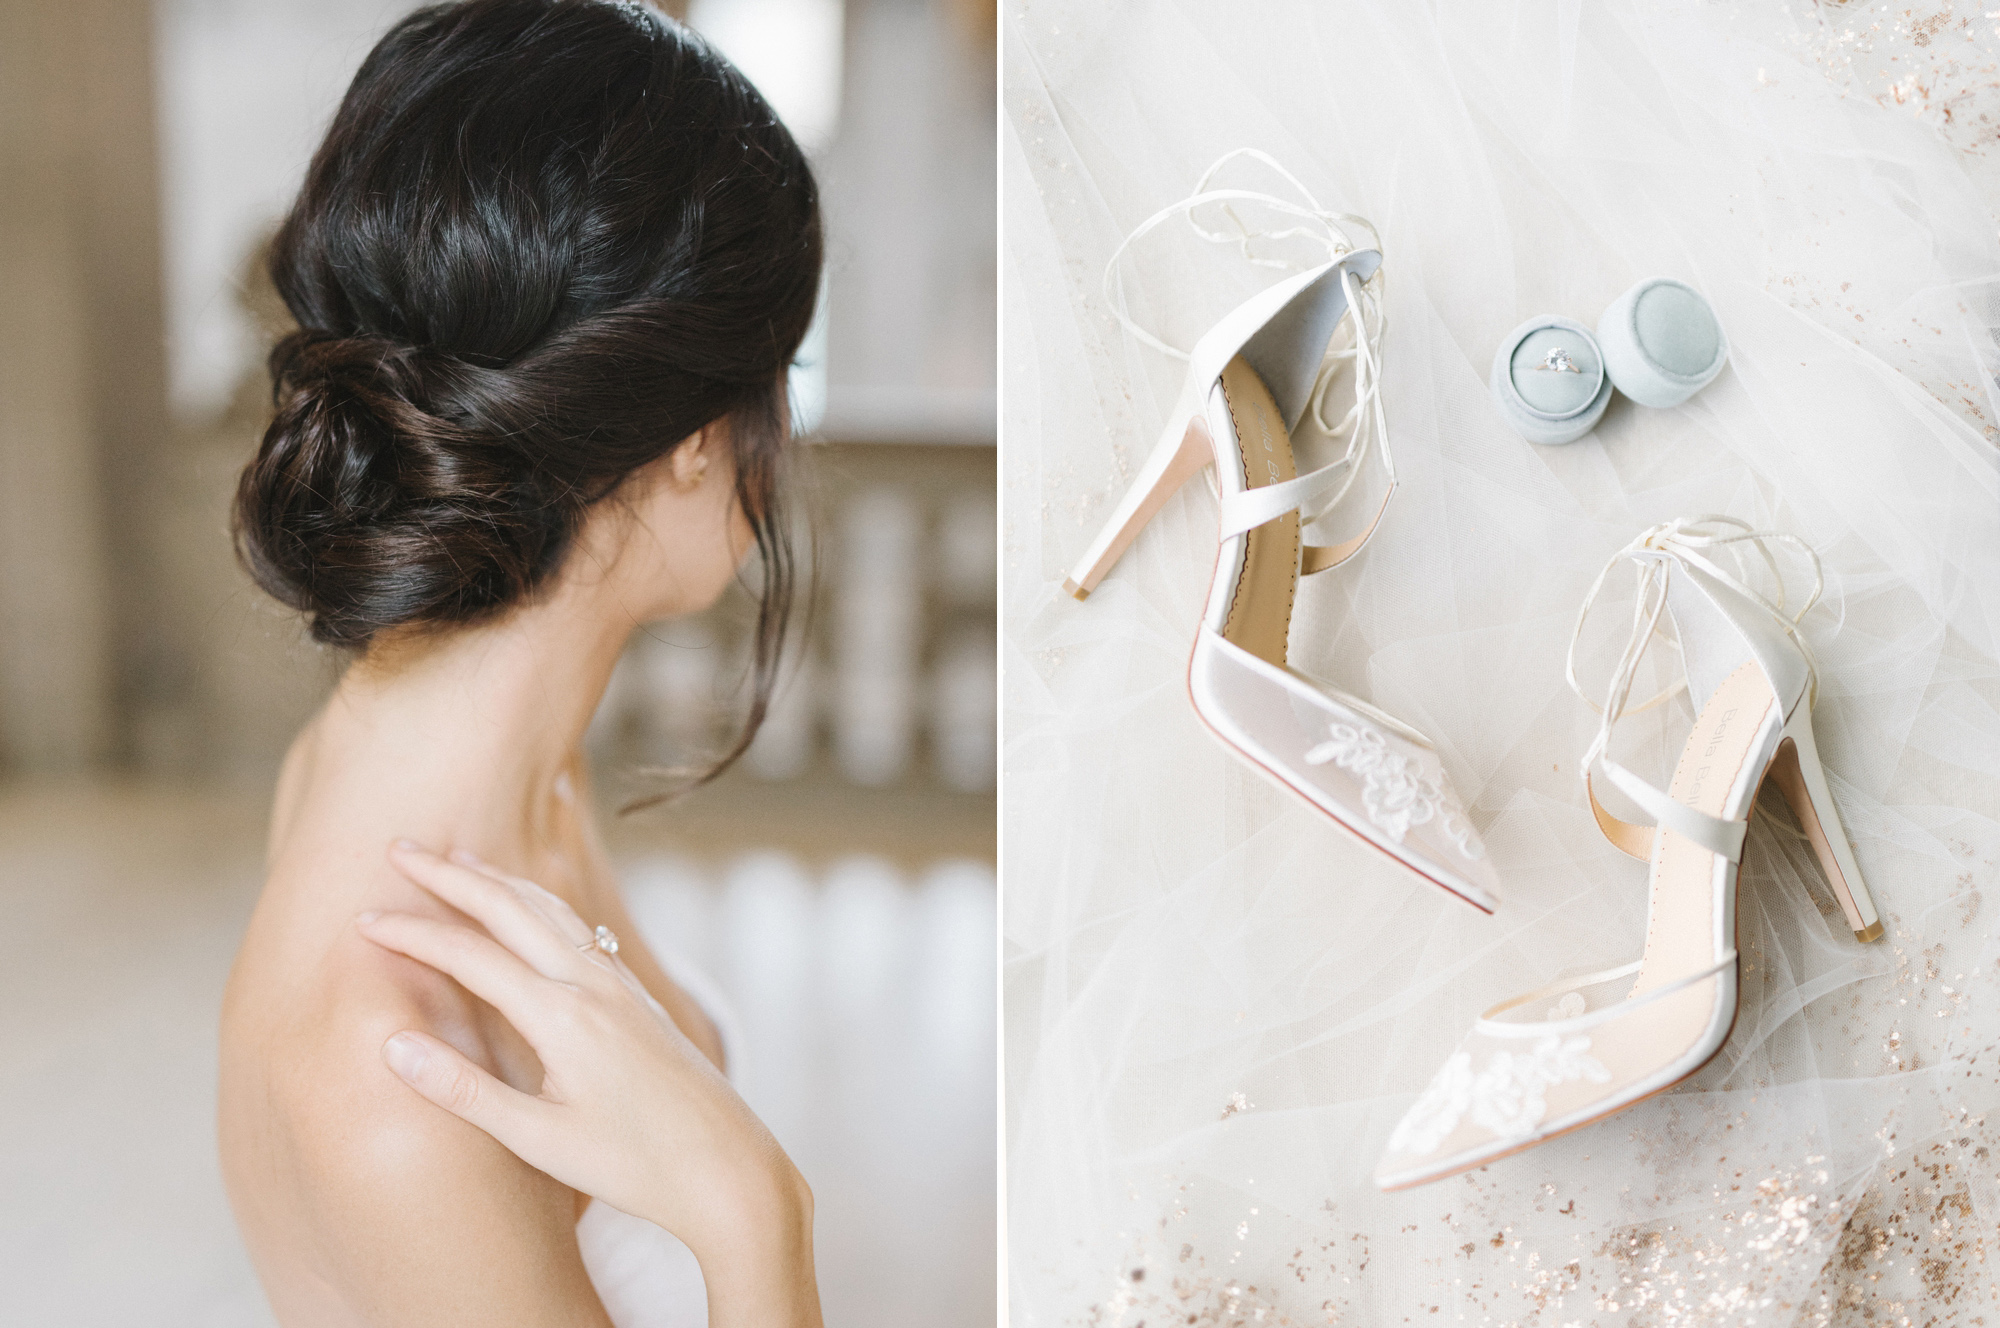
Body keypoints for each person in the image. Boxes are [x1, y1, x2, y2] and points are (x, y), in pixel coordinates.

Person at [215, 2, 824, 1322]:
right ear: (692, 434)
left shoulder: (498, 782)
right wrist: (755, 1223)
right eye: (784, 373)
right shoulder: (400, 1090)